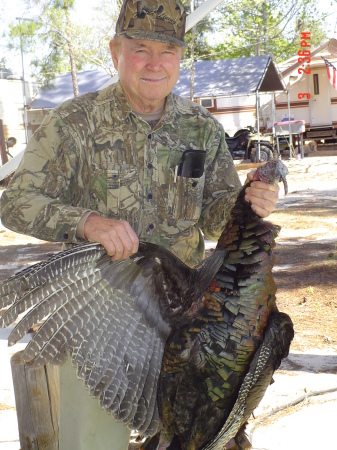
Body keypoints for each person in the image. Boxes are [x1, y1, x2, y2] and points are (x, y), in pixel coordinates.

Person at [0, 1, 280, 448]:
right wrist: (87, 222)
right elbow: (15, 203)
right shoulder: (73, 123)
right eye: (140, 48)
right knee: (92, 441)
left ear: (180, 57)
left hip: (189, 317)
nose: (155, 63)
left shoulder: (201, 128)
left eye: (168, 51)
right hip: (99, 313)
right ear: (115, 52)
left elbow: (217, 211)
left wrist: (249, 203)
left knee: (205, 437)